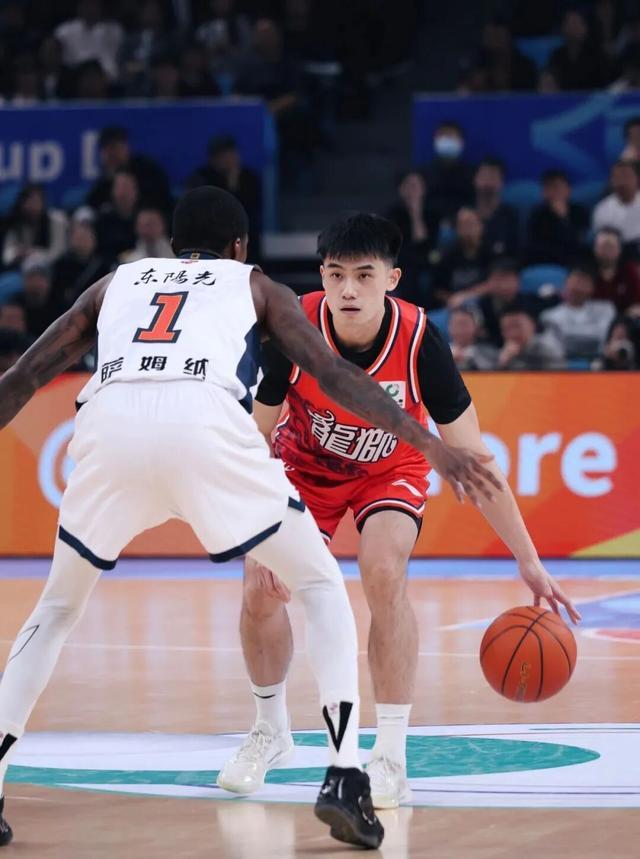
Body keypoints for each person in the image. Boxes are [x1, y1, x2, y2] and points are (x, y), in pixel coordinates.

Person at [0, 187, 514, 851]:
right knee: (321, 585)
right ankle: (344, 775)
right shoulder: (254, 285)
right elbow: (332, 372)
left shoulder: (115, 282)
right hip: (204, 431)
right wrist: (429, 444)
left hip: (109, 432)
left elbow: (24, 375)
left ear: (169, 247)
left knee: (55, 612)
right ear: (241, 247)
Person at [216, 213, 579, 809]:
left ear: (392, 278)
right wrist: (257, 538)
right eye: (336, 275)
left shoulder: (420, 342)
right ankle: (269, 730)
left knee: (383, 572)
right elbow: (254, 437)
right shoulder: (292, 327)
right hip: (303, 465)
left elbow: (474, 462)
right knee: (261, 588)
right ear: (321, 277)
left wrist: (530, 562)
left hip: (390, 468)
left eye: (364, 275)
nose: (348, 289)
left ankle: (389, 756)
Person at [86, 125, 172, 214]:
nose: (112, 155)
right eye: (107, 150)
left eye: (116, 148)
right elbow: (91, 205)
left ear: (126, 147)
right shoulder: (103, 181)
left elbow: (163, 197)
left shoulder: (147, 170)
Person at [540, 266, 616, 361]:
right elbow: (553, 346)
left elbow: (604, 336)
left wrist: (566, 333)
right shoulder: (549, 315)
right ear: (565, 284)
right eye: (575, 282)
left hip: (600, 362)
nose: (578, 288)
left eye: (583, 283)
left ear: (592, 287)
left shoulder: (606, 309)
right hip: (560, 363)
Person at [433, 208, 494, 308]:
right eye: (463, 225)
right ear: (457, 229)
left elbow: (494, 283)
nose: (467, 229)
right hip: (453, 307)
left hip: (484, 306)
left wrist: (465, 296)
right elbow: (438, 290)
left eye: (471, 224)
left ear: (481, 226)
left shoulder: (490, 251)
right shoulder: (448, 255)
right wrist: (452, 299)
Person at [526, 170, 589, 266]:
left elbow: (579, 243)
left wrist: (563, 219)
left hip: (575, 262)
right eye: (549, 188)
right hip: (545, 262)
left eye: (557, 187)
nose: (554, 193)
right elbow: (534, 246)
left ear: (568, 190)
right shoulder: (537, 215)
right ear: (543, 193)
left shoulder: (579, 212)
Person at [1, 184, 68, 270]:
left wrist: (34, 254)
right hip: (21, 269)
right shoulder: (16, 223)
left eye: (36, 201)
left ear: (43, 202)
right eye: (28, 201)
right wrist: (16, 253)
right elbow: (7, 255)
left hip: (52, 269)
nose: (32, 206)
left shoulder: (56, 221)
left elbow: (58, 253)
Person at [421, 121, 475, 221]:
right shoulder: (423, 174)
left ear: (461, 142)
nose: (446, 140)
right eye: (442, 135)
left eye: (450, 136)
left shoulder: (472, 174)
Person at [548, 9, 610, 90]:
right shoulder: (556, 56)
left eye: (575, 24)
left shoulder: (598, 55)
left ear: (585, 28)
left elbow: (605, 86)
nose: (572, 29)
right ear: (562, 28)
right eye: (569, 24)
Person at [473, 157, 519, 257]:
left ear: (501, 182)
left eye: (492, 177)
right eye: (484, 176)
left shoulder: (510, 216)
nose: (487, 182)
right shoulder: (465, 214)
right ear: (475, 179)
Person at [497, 305, 566, 370]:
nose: (514, 333)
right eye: (508, 328)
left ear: (532, 325)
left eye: (517, 326)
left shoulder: (549, 348)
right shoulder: (499, 354)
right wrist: (503, 364)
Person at [592, 161, 640, 253]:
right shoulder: (603, 209)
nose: (622, 182)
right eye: (617, 177)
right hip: (620, 254)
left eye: (626, 176)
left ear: (637, 179)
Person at [95, 170, 139, 265]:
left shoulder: (143, 218)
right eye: (119, 187)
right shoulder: (104, 220)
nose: (123, 192)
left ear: (135, 191)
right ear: (112, 191)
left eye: (126, 186)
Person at [592, 227, 640, 312]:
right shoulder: (586, 272)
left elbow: (637, 304)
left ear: (619, 250)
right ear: (595, 248)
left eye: (611, 247)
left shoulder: (629, 271)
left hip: (624, 317)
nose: (606, 252)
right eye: (603, 247)